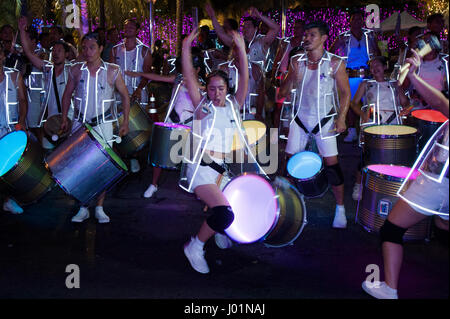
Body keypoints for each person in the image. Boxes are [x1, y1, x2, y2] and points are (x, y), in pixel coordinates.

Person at [362, 48, 449, 299]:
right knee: (443, 222)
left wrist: (414, 75)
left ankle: (389, 289)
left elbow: (439, 103)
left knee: (390, 230)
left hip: (437, 181)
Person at [180, 27, 259, 274]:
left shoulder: (234, 107)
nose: (215, 93)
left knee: (235, 207)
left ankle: (218, 230)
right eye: (211, 88)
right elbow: (190, 76)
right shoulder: (203, 106)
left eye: (220, 88)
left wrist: (242, 50)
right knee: (224, 213)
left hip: (222, 170)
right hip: (201, 169)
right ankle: (195, 246)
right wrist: (185, 46)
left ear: (228, 89)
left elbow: (245, 77)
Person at [279, 21, 351, 228]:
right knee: (290, 165)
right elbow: (285, 90)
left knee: (332, 166)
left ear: (323, 38)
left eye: (312, 35)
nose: (307, 38)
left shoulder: (335, 63)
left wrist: (342, 118)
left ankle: (340, 209)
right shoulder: (296, 61)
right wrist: (288, 78)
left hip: (324, 121)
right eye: (306, 35)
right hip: (300, 120)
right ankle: (288, 205)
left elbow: (345, 93)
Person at [60, 32, 130, 223]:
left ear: (100, 49)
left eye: (92, 47)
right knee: (79, 167)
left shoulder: (112, 70)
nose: (88, 51)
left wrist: (125, 122)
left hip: (103, 125)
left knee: (102, 166)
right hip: (80, 125)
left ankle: (99, 206)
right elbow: (67, 95)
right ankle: (82, 206)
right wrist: (65, 117)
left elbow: (125, 96)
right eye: (85, 47)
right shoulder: (75, 69)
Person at [125, 51, 205, 198]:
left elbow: (206, 97)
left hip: (192, 124)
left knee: (194, 158)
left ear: (198, 69)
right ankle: (154, 184)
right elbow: (158, 77)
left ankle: (197, 185)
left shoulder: (203, 85)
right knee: (161, 154)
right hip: (173, 121)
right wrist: (139, 74)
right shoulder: (178, 79)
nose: (186, 69)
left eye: (190, 66)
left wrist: (196, 85)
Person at [349, 56, 410, 200]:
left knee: (392, 157)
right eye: (372, 66)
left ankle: (389, 187)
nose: (374, 68)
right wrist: (363, 115)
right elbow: (354, 103)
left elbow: (405, 103)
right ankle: (359, 185)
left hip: (393, 123)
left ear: (384, 67)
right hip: (372, 123)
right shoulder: (366, 84)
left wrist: (406, 109)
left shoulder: (395, 84)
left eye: (378, 65)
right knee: (367, 156)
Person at [18, 17, 73, 149]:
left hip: (72, 121)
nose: (55, 53)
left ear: (66, 54)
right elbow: (29, 54)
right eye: (54, 50)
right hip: (52, 122)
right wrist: (21, 30)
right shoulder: (48, 68)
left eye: (59, 51)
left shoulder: (73, 69)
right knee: (49, 153)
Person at [329, 8, 381, 142]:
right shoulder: (343, 37)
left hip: (367, 74)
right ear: (350, 21)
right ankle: (351, 130)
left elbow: (378, 52)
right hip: (350, 74)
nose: (357, 22)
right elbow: (331, 52)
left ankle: (368, 128)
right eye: (354, 19)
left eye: (360, 19)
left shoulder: (369, 36)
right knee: (351, 103)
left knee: (368, 102)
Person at [110, 19, 152, 173]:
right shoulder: (115, 50)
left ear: (138, 30)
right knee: (119, 126)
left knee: (138, 128)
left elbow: (147, 74)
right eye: (126, 26)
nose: (127, 29)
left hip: (138, 94)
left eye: (131, 26)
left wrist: (139, 89)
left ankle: (136, 157)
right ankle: (123, 158)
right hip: (119, 96)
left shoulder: (144, 51)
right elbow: (110, 73)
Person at [0, 41, 28, 214]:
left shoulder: (14, 76)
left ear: (3, 56)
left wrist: (22, 121)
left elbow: (23, 100)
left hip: (11, 129)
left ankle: (9, 201)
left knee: (11, 168)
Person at [402, 33, 448, 111]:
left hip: (439, 103)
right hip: (419, 105)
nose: (427, 46)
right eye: (424, 43)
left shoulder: (444, 61)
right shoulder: (415, 63)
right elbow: (404, 86)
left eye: (430, 42)